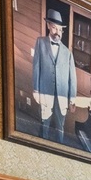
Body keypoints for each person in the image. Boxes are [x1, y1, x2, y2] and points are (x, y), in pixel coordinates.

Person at [30, 8, 77, 145]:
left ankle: (59, 148)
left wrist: (72, 100)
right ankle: (41, 146)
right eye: (55, 28)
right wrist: (36, 90)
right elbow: (36, 67)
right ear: (48, 26)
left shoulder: (68, 53)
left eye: (60, 29)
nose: (57, 32)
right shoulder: (40, 43)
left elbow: (72, 78)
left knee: (60, 127)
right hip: (45, 93)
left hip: (62, 97)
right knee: (44, 123)